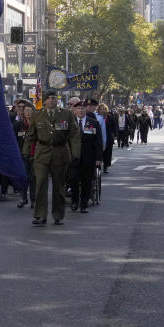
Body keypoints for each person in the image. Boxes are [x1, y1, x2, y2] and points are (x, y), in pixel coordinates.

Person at [23, 91, 79, 226]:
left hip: (60, 153)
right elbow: (31, 135)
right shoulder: (37, 114)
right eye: (48, 99)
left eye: (54, 98)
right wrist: (25, 152)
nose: (51, 101)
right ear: (45, 101)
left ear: (57, 100)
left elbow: (74, 134)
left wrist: (75, 153)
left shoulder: (67, 114)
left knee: (59, 186)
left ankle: (58, 215)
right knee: (40, 183)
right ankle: (40, 215)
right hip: (42, 153)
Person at [68, 100, 102, 213]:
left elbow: (98, 142)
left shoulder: (93, 123)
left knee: (87, 181)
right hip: (73, 157)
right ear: (74, 110)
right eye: (78, 109)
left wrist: (98, 159)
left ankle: (83, 204)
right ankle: (74, 201)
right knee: (73, 179)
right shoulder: (69, 123)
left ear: (85, 110)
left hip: (88, 158)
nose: (80, 110)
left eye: (82, 109)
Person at [18, 105, 37, 208]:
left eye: (30, 111)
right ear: (23, 113)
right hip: (22, 155)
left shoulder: (38, 124)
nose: (28, 113)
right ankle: (23, 198)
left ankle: (33, 199)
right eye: (26, 111)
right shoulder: (18, 125)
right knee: (24, 177)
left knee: (33, 177)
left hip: (35, 154)